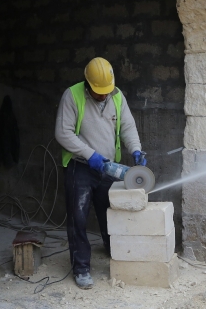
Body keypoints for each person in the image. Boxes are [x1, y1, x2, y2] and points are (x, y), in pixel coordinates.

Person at [54, 57, 147, 289]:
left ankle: (112, 250)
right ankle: (81, 267)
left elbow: (127, 126)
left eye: (107, 91)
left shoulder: (116, 95)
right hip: (80, 167)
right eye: (99, 92)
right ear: (88, 84)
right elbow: (63, 133)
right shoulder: (72, 96)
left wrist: (135, 149)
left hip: (107, 168)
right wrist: (89, 154)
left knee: (110, 214)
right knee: (79, 218)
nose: (104, 95)